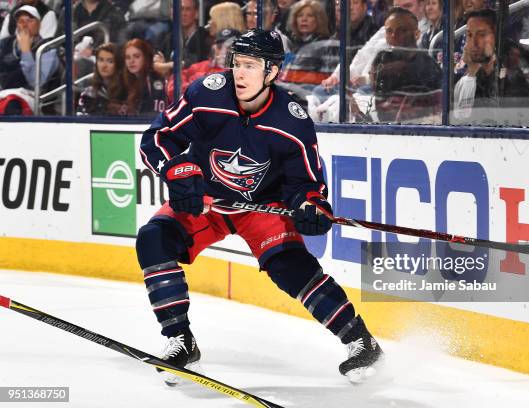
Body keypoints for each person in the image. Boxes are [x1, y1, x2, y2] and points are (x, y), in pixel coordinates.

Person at [136, 28, 384, 386]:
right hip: (208, 201)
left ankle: (361, 342)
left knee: (291, 268)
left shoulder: (291, 120)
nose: (240, 72)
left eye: (251, 66)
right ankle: (180, 341)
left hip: (261, 209)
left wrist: (311, 205)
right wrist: (177, 170)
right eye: (237, 63)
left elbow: (307, 183)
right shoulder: (206, 96)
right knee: (153, 240)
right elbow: (157, 139)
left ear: (272, 72)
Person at [0, 5, 59, 114]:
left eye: (29, 20)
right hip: (4, 94)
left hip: (32, 98)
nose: (24, 24)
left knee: (12, 104)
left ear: (39, 24)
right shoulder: (5, 44)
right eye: (21, 21)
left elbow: (35, 82)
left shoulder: (47, 49)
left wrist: (26, 51)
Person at [154, 0, 214, 79]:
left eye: (188, 9)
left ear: (196, 13)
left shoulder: (205, 38)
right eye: (180, 9)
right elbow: (156, 64)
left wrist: (167, 66)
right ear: (172, 13)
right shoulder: (167, 38)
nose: (183, 13)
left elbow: (193, 66)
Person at [77, 42, 127, 115]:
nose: (104, 65)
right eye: (101, 60)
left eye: (110, 61)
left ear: (118, 64)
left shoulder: (126, 89)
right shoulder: (88, 90)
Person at [122, 38, 167, 115]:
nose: (131, 61)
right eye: (128, 57)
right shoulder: (127, 79)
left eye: (136, 56)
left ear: (145, 58)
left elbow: (154, 114)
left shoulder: (154, 79)